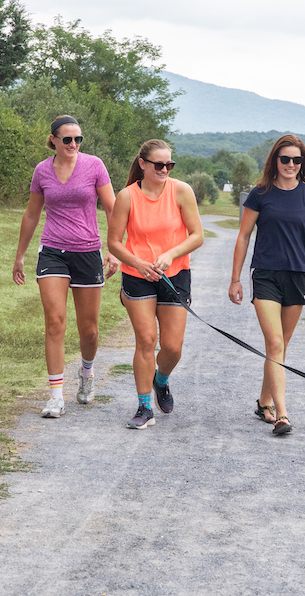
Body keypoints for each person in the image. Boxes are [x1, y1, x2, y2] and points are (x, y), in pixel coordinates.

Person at [13, 115, 118, 418]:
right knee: (55, 322)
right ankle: (56, 395)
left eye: (78, 139)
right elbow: (32, 214)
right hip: (53, 253)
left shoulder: (94, 166)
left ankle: (86, 373)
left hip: (87, 252)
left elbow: (112, 208)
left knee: (89, 330)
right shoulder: (41, 171)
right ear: (54, 140)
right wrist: (20, 255)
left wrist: (114, 250)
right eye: (67, 139)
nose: (74, 144)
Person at [228, 134, 305, 436]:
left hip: (296, 275)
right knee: (274, 343)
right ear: (275, 160)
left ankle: (263, 402)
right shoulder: (260, 193)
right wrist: (235, 278)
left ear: (303, 163)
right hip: (266, 275)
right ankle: (283, 414)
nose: (290, 164)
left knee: (280, 347)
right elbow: (243, 236)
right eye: (285, 159)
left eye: (296, 160)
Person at [107, 139, 204, 429]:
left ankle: (160, 380)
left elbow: (197, 235)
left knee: (172, 347)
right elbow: (113, 242)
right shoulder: (127, 196)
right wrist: (137, 263)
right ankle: (143, 406)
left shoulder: (181, 191)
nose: (165, 169)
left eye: (169, 164)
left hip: (174, 275)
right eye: (159, 164)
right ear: (143, 164)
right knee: (146, 340)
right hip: (138, 276)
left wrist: (171, 253)